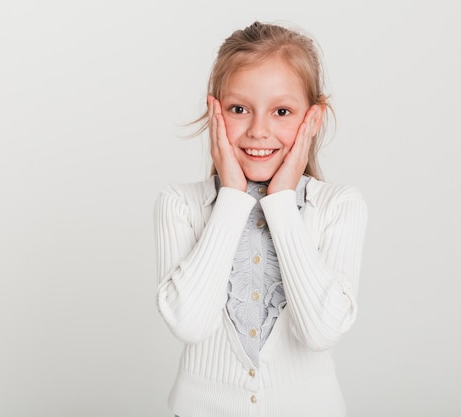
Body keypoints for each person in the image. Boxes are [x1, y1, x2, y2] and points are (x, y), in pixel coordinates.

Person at [154, 21, 367, 417]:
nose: (258, 131)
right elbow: (190, 324)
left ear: (313, 119)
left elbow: (321, 332)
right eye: (239, 109)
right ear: (214, 110)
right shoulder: (179, 205)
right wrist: (232, 199)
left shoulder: (339, 207)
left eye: (282, 111)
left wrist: (282, 202)